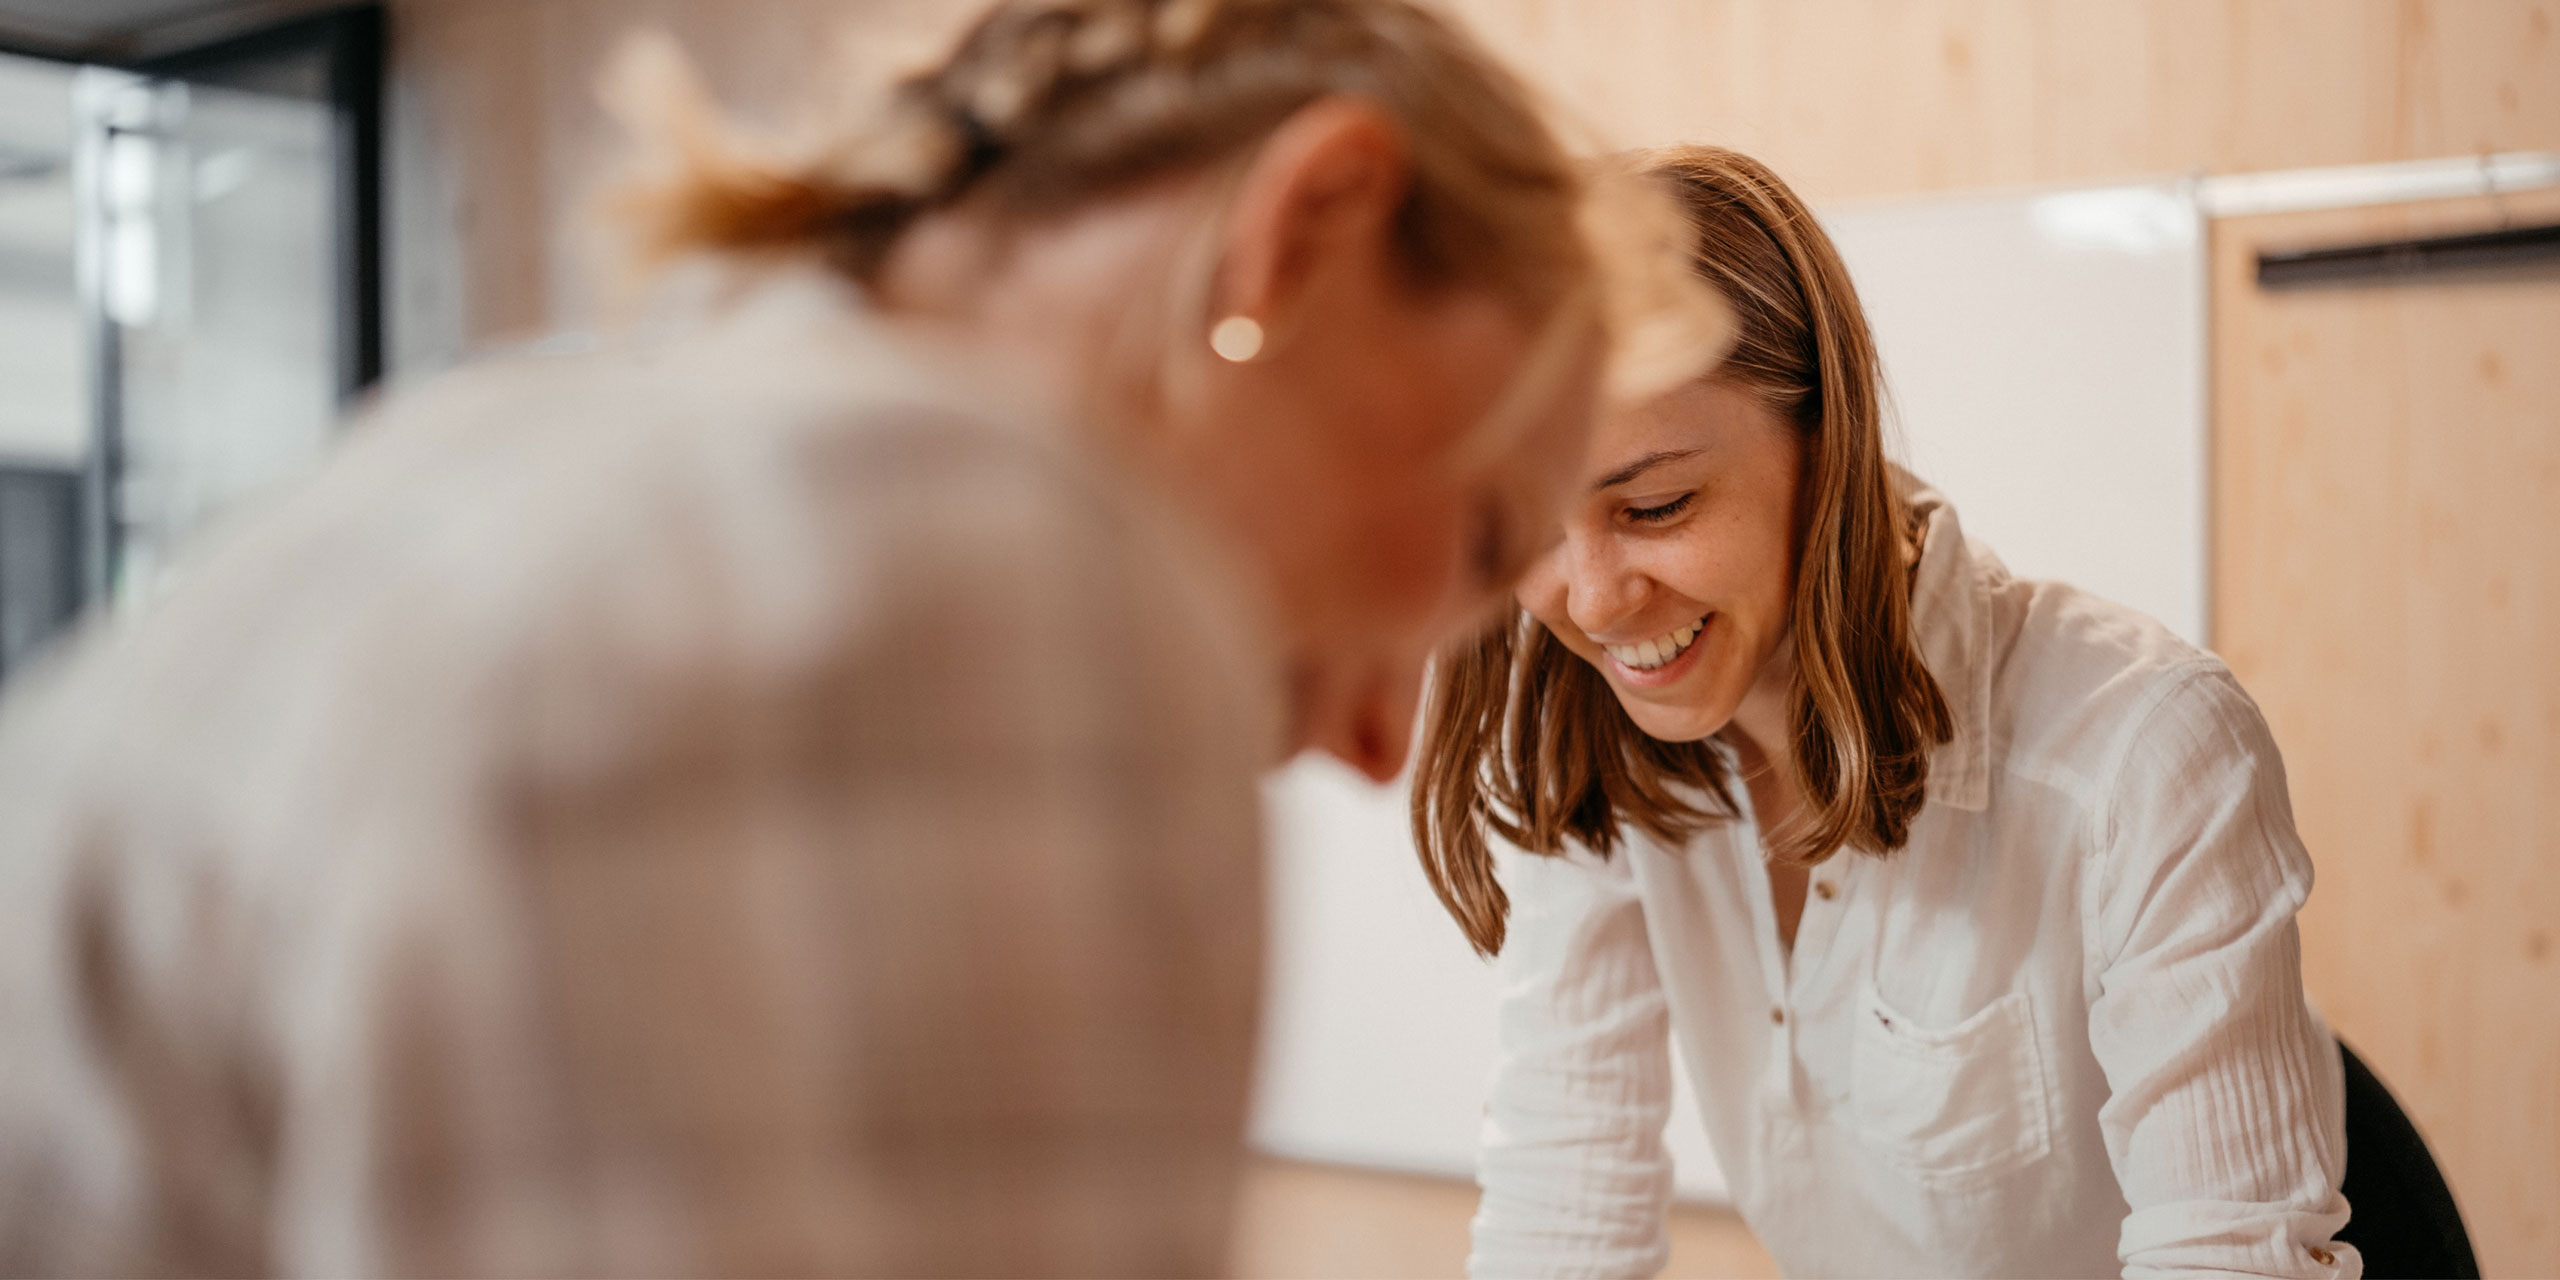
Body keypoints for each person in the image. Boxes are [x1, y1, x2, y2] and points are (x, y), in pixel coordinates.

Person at [0, 2, 1723, 1273]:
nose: (1384, 740)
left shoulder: (499, 458)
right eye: (1483, 536)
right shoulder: (955, 551)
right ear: (1313, 225)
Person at [1416, 146, 2360, 1278]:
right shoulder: (1607, 744)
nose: (1592, 596)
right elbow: (1558, 1207)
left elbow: (2229, 1257)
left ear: (1830, 445)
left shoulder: (2145, 753)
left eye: (1655, 504)